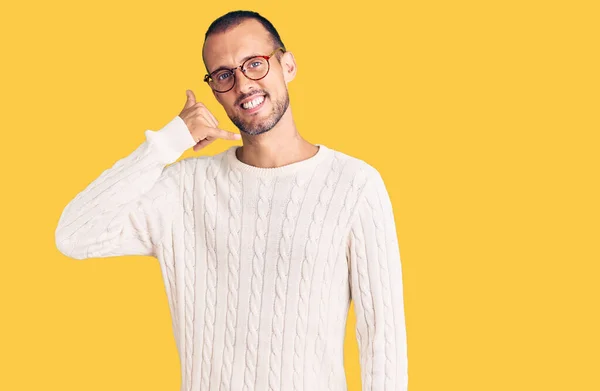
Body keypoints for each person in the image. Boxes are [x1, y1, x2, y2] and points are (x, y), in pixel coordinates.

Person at [55, 9, 408, 391]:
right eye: (224, 75)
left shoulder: (354, 185)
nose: (243, 85)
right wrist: (168, 142)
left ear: (287, 65)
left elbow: (382, 339)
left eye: (254, 64)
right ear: (213, 90)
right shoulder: (185, 189)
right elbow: (75, 236)